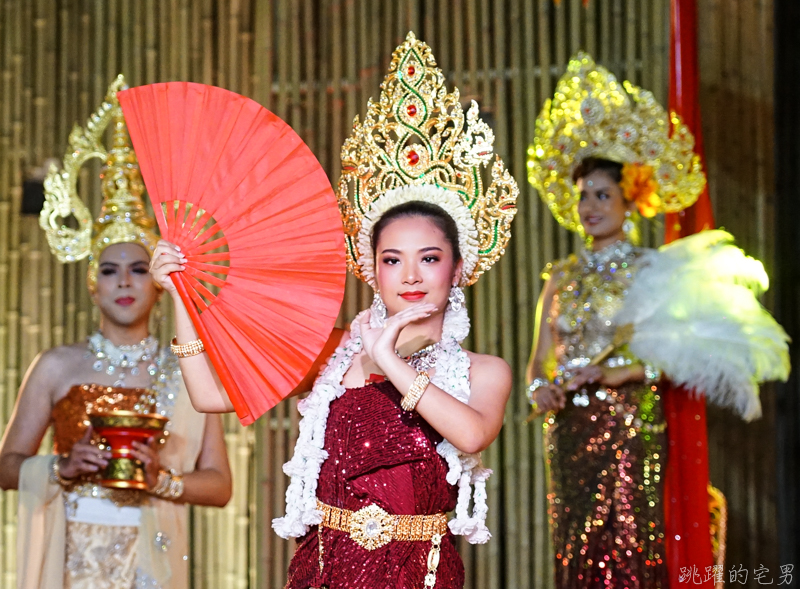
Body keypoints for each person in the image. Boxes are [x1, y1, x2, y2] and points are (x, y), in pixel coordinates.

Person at [149, 32, 518, 588]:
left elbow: (470, 435)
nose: (411, 275)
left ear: (458, 267)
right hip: (325, 569)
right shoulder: (330, 351)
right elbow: (209, 395)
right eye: (393, 259)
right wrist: (180, 295)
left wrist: (387, 361)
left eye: (430, 258)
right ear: (372, 270)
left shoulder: (482, 372)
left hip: (423, 574)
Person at [0, 77, 232, 589]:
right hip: (68, 558)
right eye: (109, 270)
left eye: (137, 268)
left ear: (158, 281)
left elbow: (219, 486)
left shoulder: (187, 370)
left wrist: (161, 479)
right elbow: (6, 466)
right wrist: (60, 467)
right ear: (92, 285)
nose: (124, 280)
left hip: (152, 558)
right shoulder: (56, 365)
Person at [525, 54, 708, 589]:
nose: (589, 206)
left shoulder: (651, 271)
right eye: (583, 196)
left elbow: (675, 356)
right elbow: (540, 357)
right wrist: (541, 388)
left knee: (630, 539)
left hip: (629, 421)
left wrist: (614, 376)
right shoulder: (559, 276)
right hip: (568, 427)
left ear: (631, 200)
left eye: (602, 195)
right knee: (574, 545)